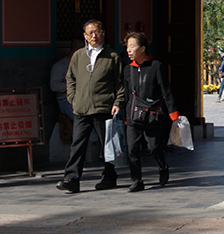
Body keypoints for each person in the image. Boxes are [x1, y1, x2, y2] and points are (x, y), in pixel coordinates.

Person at [57, 20, 124, 194]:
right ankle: (72, 178)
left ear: (103, 33)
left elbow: (120, 83)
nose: (94, 36)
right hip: (81, 108)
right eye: (90, 33)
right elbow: (70, 78)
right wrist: (73, 98)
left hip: (103, 107)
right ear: (85, 36)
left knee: (106, 144)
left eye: (97, 32)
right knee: (77, 144)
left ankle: (109, 176)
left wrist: (117, 102)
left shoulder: (112, 56)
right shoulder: (78, 56)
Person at [112, 31, 179, 192]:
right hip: (133, 115)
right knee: (132, 149)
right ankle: (136, 180)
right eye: (127, 47)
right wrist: (120, 106)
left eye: (132, 46)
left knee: (154, 147)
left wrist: (174, 114)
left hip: (151, 115)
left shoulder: (156, 66)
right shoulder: (128, 69)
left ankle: (162, 165)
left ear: (142, 48)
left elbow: (166, 90)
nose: (128, 50)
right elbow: (126, 92)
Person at [49, 43, 76, 146]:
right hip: (66, 100)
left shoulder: (82, 64)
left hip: (81, 99)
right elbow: (54, 86)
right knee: (81, 118)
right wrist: (74, 86)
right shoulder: (60, 66)